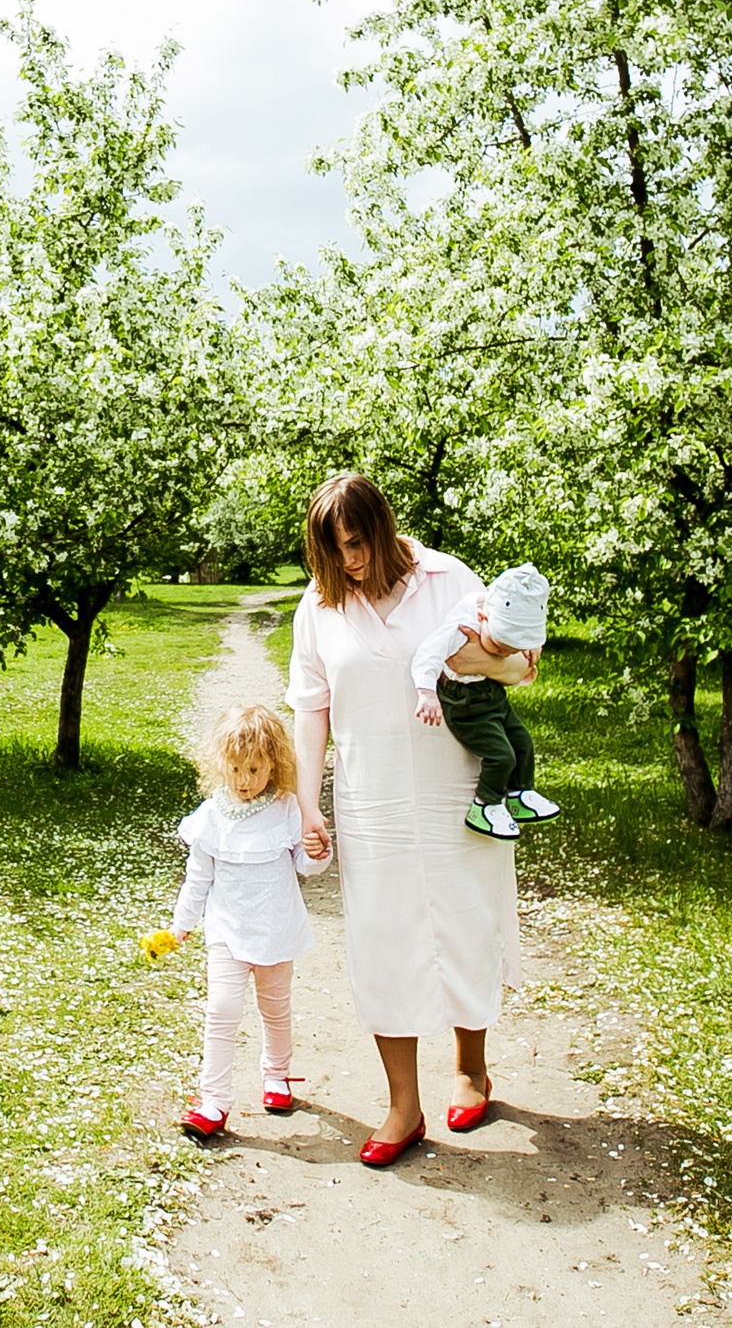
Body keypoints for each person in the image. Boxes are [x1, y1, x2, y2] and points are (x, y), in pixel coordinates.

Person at [288, 472, 522, 1167]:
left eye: (357, 544)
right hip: (374, 799)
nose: (350, 562)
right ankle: (403, 1104)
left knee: (467, 923)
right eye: (334, 551)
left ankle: (471, 1070)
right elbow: (310, 706)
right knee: (383, 940)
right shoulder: (320, 603)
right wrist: (309, 801)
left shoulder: (449, 579)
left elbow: (518, 666)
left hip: (459, 787)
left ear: (383, 528)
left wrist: (491, 654)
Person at [151, 704, 332, 1140]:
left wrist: (317, 849)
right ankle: (213, 1102)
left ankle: (277, 1075)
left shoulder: (288, 809)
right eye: (235, 769)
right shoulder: (211, 816)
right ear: (220, 765)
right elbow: (199, 877)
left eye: (255, 768)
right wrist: (181, 925)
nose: (245, 779)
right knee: (221, 1010)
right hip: (227, 933)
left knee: (275, 1008)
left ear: (275, 762)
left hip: (276, 928)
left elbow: (305, 867)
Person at [411, 562, 560, 839]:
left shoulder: (503, 612)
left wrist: (528, 645)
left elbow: (519, 638)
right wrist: (427, 693)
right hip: (464, 702)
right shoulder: (460, 627)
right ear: (482, 617)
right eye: (501, 646)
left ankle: (520, 795)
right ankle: (486, 805)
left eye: (512, 649)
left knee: (523, 742)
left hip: (491, 692)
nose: (504, 653)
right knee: (501, 755)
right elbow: (426, 656)